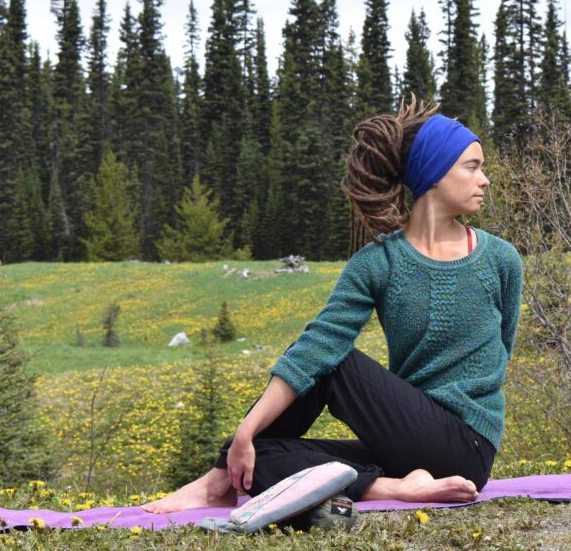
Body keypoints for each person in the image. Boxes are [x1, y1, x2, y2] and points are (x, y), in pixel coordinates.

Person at [143, 97, 524, 513]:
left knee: (334, 361)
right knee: (262, 453)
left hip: (467, 445)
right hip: (404, 441)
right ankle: (393, 487)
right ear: (434, 172)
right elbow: (317, 345)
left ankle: (217, 483)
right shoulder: (378, 263)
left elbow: (501, 350)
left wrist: (245, 428)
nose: (484, 179)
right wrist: (245, 433)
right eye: (472, 166)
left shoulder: (499, 259)